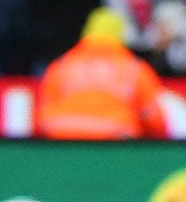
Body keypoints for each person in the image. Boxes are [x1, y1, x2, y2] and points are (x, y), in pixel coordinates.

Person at [33, 8, 168, 139]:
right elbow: (154, 121)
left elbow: (42, 113)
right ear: (121, 34)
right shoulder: (135, 68)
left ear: (86, 31)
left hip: (60, 136)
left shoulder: (61, 65)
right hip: (115, 138)